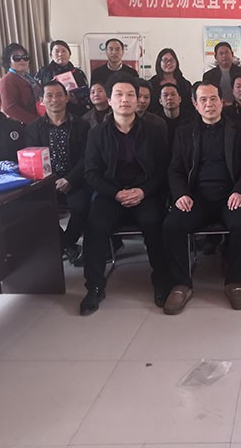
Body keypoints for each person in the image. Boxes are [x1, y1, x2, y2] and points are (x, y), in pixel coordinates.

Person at [80, 72, 170, 316]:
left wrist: (143, 191)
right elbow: (91, 173)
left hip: (145, 194)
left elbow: (163, 169)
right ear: (109, 100)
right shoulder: (97, 134)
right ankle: (94, 286)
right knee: (95, 225)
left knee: (154, 222)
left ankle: (161, 281)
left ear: (138, 99)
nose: (125, 99)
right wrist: (116, 193)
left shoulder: (153, 131)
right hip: (111, 195)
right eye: (119, 94)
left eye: (131, 95)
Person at [164, 81, 241, 314]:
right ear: (195, 104)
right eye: (203, 100)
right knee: (172, 225)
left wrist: (240, 191)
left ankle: (235, 282)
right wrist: (181, 194)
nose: (209, 104)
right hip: (196, 197)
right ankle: (181, 284)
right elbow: (175, 169)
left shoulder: (240, 130)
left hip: (230, 196)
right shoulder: (184, 132)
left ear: (222, 101)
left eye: (213, 98)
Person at [25, 80, 90, 264]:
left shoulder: (82, 125)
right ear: (41, 100)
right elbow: (31, 158)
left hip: (75, 180)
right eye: (49, 96)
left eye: (59, 95)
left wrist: (70, 179)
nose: (55, 100)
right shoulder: (32, 128)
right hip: (46, 182)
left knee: (82, 206)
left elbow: (87, 157)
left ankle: (64, 244)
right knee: (37, 210)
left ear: (67, 98)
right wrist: (48, 181)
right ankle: (68, 247)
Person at [35, 40, 89, 116]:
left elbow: (86, 95)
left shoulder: (78, 73)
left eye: (64, 51)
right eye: (57, 51)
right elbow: (37, 94)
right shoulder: (43, 72)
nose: (60, 54)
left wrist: (74, 99)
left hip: (75, 112)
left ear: (69, 54)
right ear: (51, 55)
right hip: (50, 113)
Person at [0, 43, 41, 124]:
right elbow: (9, 108)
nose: (22, 60)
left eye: (25, 57)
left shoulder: (29, 78)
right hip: (23, 125)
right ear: (8, 61)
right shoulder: (7, 80)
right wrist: (36, 121)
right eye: (16, 58)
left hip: (38, 121)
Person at [147, 48, 192, 115]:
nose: (169, 63)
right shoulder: (151, 84)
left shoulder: (184, 84)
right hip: (155, 119)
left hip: (183, 119)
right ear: (159, 62)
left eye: (172, 60)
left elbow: (189, 105)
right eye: (165, 60)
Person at [157, 82, 193, 150]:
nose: (169, 98)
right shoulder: (155, 122)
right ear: (160, 101)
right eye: (165, 95)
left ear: (180, 99)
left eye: (173, 94)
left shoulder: (191, 119)